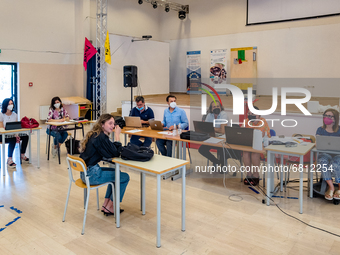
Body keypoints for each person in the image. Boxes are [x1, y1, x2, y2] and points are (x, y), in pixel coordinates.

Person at [80, 114, 130, 215]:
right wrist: (117, 136)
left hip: (85, 173)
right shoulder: (101, 137)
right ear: (102, 124)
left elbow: (109, 150)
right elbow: (115, 153)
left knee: (117, 173)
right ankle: (111, 206)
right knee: (124, 177)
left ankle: (106, 205)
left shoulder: (95, 134)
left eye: (113, 124)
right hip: (92, 175)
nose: (112, 126)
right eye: (110, 123)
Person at [198, 101, 241, 166]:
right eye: (214, 107)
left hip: (223, 139)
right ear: (211, 109)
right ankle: (216, 161)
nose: (216, 108)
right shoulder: (209, 115)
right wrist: (215, 129)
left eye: (218, 106)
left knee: (221, 149)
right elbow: (206, 129)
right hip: (212, 138)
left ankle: (223, 168)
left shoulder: (223, 115)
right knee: (202, 149)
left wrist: (212, 129)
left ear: (221, 107)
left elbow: (223, 131)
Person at [316, 109, 340, 200]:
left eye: (330, 116)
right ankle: (331, 187)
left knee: (335, 163)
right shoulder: (320, 129)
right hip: (325, 154)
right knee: (322, 161)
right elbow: (318, 144)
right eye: (325, 115)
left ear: (335, 118)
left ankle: (339, 187)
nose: (327, 118)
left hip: (338, 154)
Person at [243, 106, 271, 186]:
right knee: (245, 152)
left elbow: (260, 135)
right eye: (249, 113)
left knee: (255, 152)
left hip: (262, 144)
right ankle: (249, 174)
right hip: (249, 143)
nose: (250, 115)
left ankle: (256, 175)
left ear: (258, 115)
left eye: (253, 114)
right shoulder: (246, 121)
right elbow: (242, 131)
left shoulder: (262, 121)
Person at [0, 98, 30, 168]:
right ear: (5, 105)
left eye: (12, 104)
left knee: (25, 136)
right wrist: (13, 134)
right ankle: (9, 159)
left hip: (13, 134)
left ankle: (22, 154)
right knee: (12, 139)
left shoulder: (15, 114)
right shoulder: (1, 115)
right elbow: (1, 128)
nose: (11, 105)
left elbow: (16, 127)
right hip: (3, 135)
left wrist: (17, 135)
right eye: (9, 104)